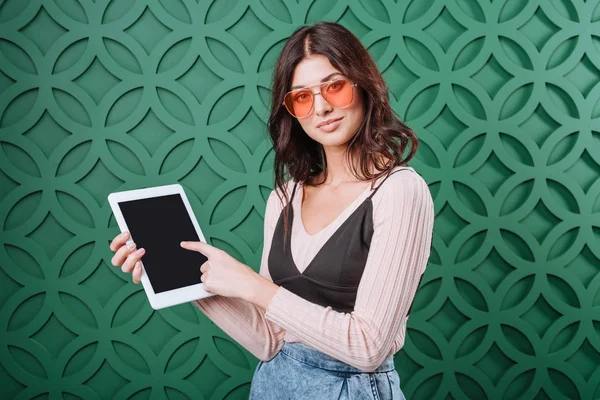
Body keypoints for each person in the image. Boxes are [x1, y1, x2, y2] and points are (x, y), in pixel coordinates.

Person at [109, 22, 434, 399]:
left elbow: (368, 347)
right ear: (291, 111)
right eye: (302, 97)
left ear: (364, 86)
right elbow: (269, 340)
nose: (322, 107)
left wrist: (253, 285)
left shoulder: (399, 190)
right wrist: (185, 276)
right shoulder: (284, 197)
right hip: (274, 385)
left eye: (335, 86)